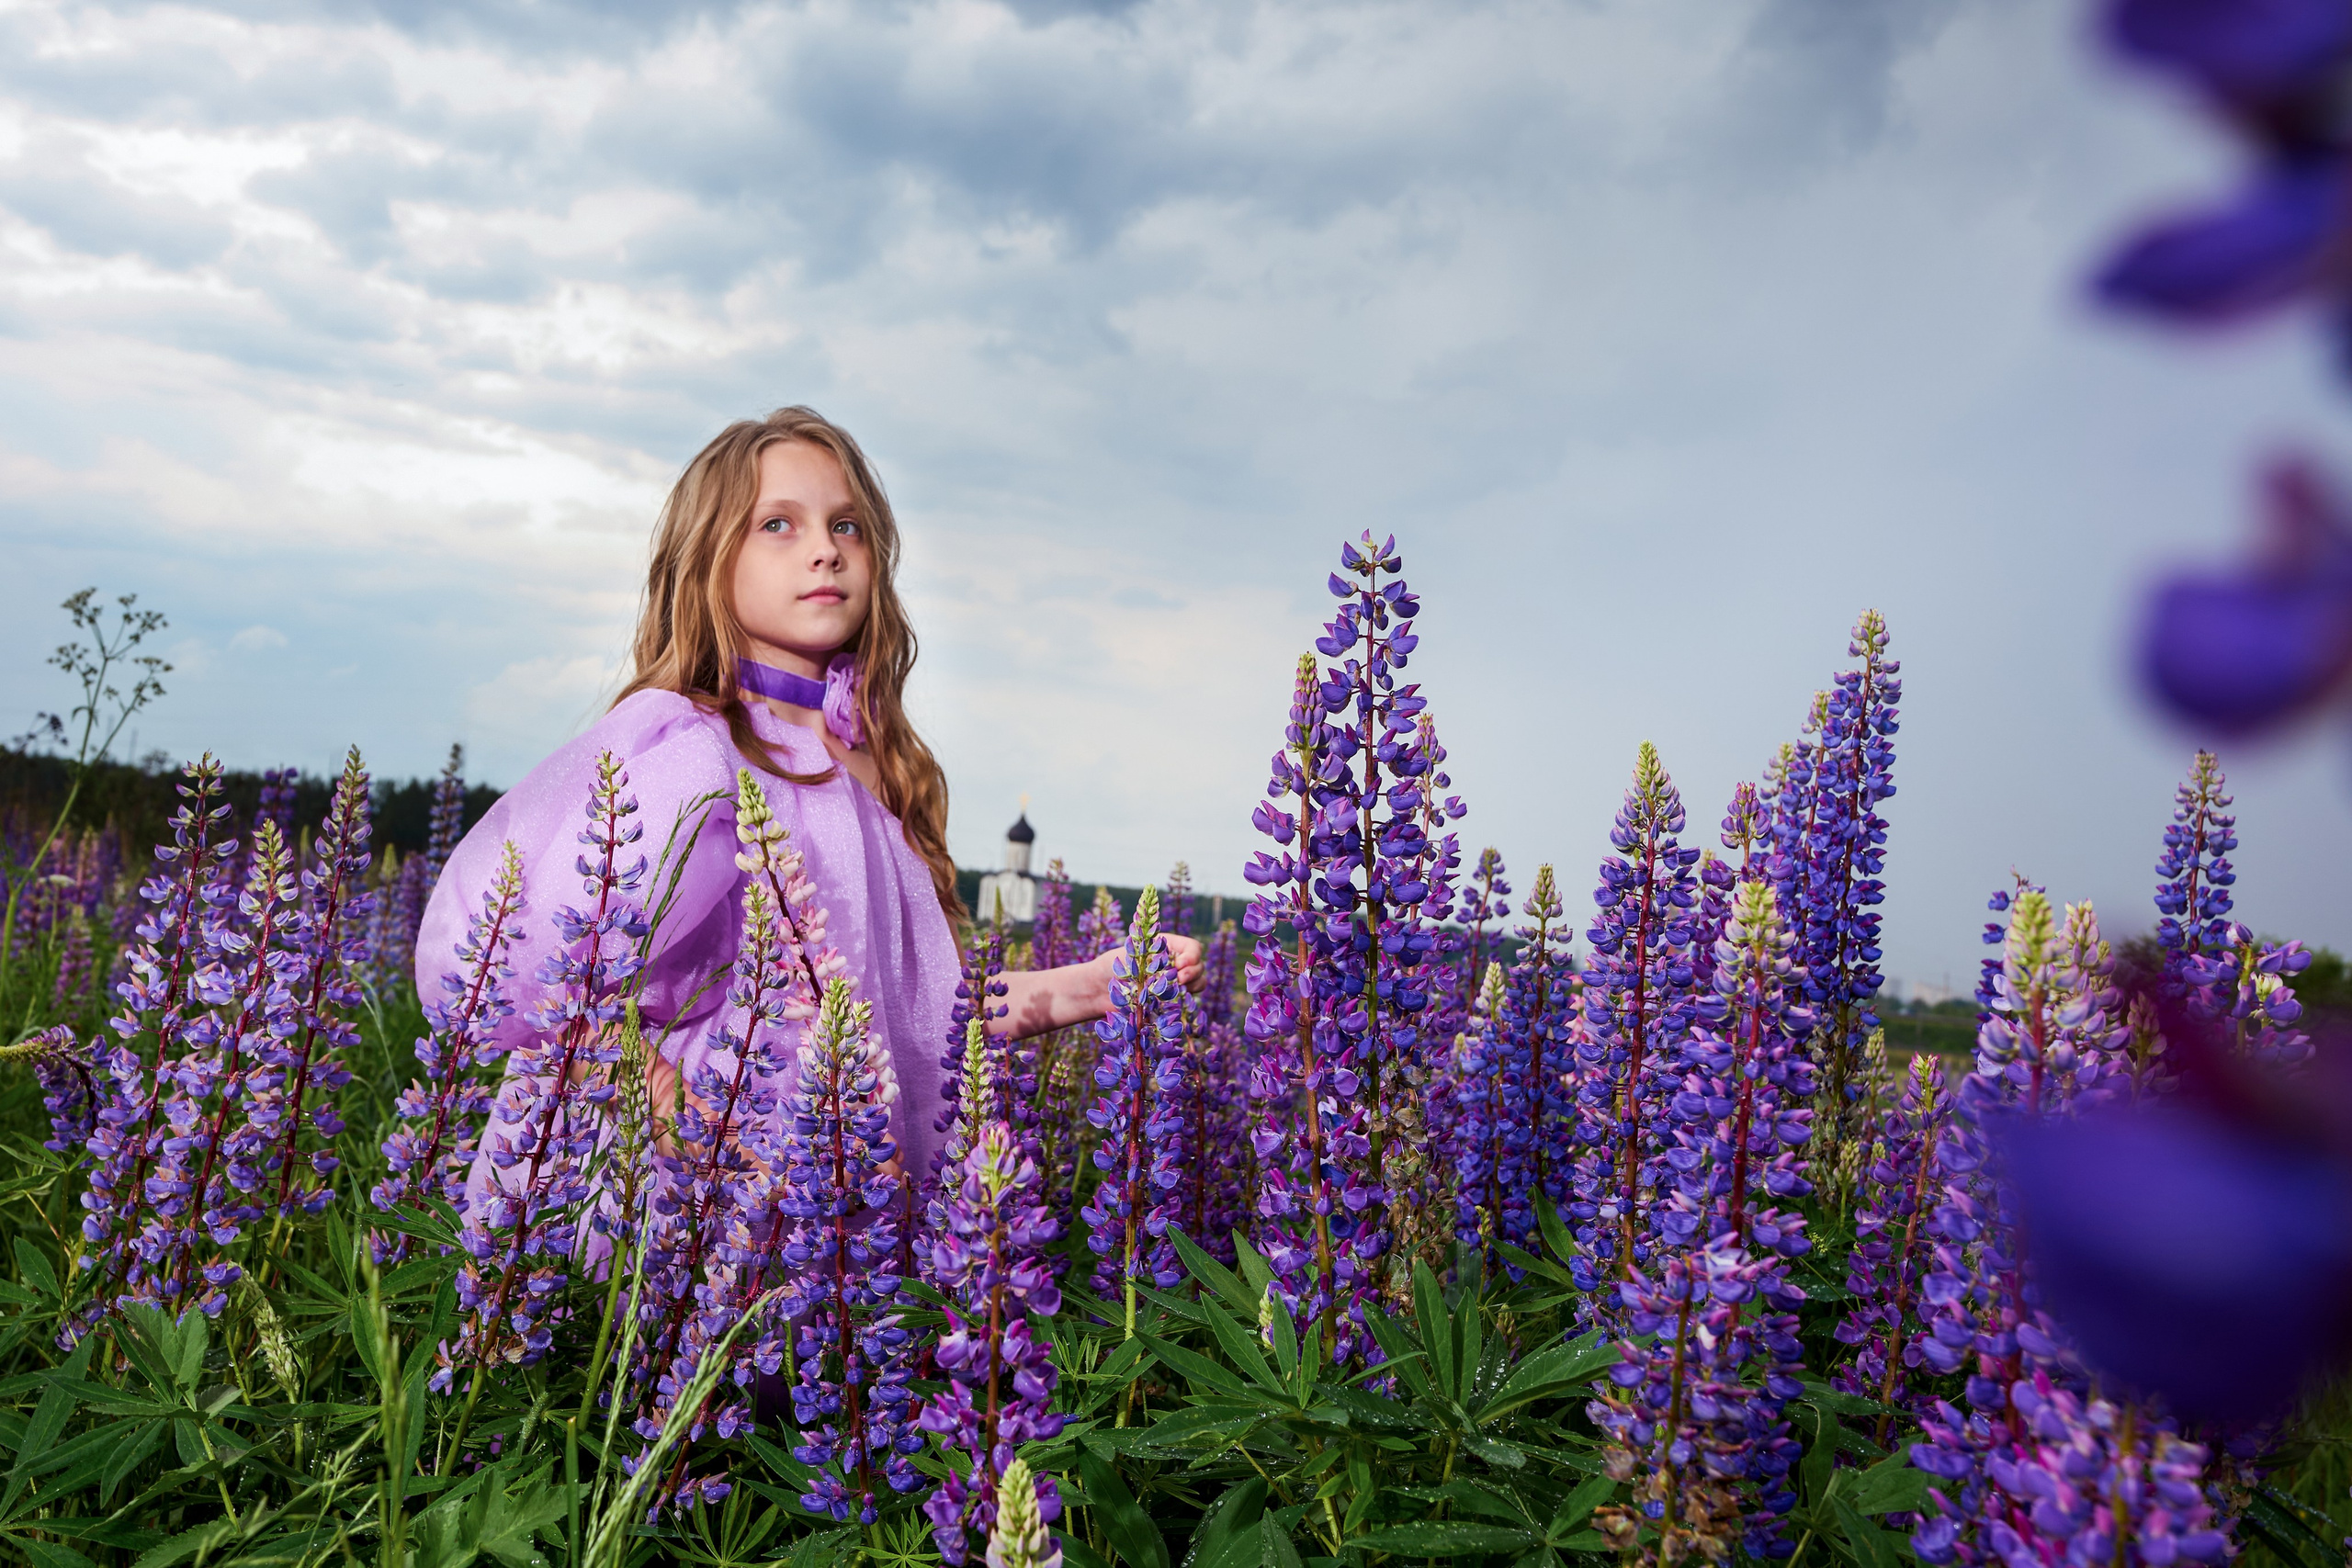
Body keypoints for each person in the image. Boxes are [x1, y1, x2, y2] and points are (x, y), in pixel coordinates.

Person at [414, 405, 1203, 1187]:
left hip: (835, 1205)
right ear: (710, 560)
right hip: (667, 1194)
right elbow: (546, 982)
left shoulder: (871, 764)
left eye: (848, 526)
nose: (825, 549)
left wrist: (1095, 983)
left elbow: (923, 1012)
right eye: (779, 525)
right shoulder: (692, 749)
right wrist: (679, 1117)